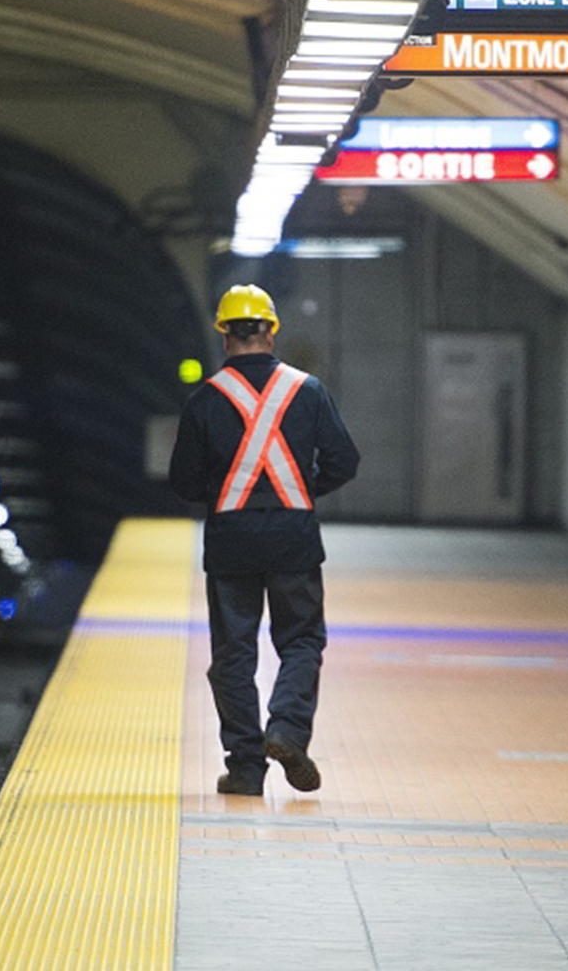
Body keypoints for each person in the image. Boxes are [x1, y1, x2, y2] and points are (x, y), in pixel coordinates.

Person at [169, 283, 359, 796]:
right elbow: (345, 462)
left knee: (233, 653)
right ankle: (287, 731)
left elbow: (184, 483)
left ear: (225, 336)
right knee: (301, 640)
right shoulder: (309, 391)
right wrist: (299, 488)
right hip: (293, 537)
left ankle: (247, 769)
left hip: (231, 540)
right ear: (272, 331)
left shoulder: (205, 399)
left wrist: (226, 491)